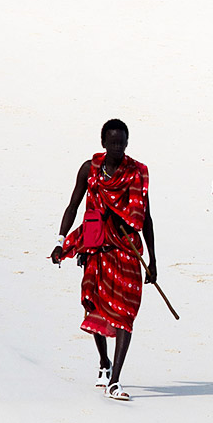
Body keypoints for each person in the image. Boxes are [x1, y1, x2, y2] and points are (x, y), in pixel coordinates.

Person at [50, 119, 157, 401]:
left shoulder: (136, 173)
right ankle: (104, 362)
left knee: (125, 313)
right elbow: (73, 205)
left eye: (121, 142)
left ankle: (116, 380)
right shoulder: (90, 169)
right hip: (96, 246)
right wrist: (61, 242)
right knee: (95, 304)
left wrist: (154, 259)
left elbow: (145, 217)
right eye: (112, 142)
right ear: (103, 143)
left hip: (127, 249)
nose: (117, 147)